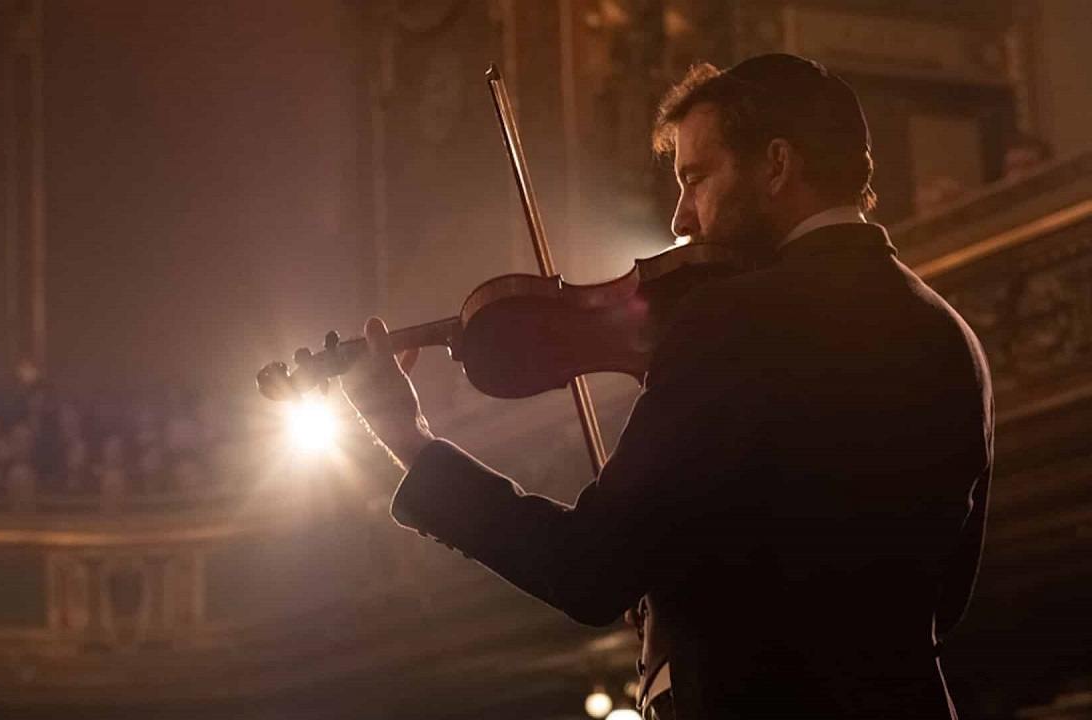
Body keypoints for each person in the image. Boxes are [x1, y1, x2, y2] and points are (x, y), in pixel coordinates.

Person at [342, 54, 992, 720]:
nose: (682, 218)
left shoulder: (731, 320)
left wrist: (410, 441)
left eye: (696, 178)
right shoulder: (952, 337)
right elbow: (942, 602)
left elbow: (586, 570)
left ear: (776, 165)